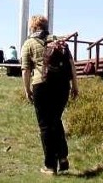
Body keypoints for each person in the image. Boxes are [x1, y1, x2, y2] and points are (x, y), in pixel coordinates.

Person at [21, 15, 79, 175]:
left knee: (45, 125)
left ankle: (50, 165)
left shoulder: (29, 44)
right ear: (46, 27)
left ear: (32, 28)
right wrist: (75, 86)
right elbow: (71, 65)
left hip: (41, 85)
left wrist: (27, 90)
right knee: (56, 120)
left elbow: (25, 69)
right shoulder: (60, 42)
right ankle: (62, 157)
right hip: (62, 86)